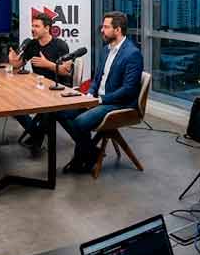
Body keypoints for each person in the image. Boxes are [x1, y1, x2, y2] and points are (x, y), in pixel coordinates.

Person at [56, 11, 142, 173]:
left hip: (118, 103)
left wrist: (101, 100)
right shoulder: (105, 50)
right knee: (61, 112)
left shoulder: (133, 54)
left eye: (106, 27)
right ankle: (93, 153)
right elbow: (97, 78)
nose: (102, 30)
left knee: (80, 123)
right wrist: (90, 94)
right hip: (98, 98)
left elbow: (128, 90)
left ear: (117, 30)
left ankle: (82, 159)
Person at [8, 12, 73, 156]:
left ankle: (36, 138)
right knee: (14, 106)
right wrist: (13, 61)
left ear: (47, 28)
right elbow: (18, 65)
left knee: (48, 111)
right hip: (38, 87)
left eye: (37, 26)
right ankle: (37, 134)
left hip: (58, 88)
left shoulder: (60, 45)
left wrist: (47, 64)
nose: (33, 29)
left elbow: (66, 71)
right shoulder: (32, 44)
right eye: (32, 26)